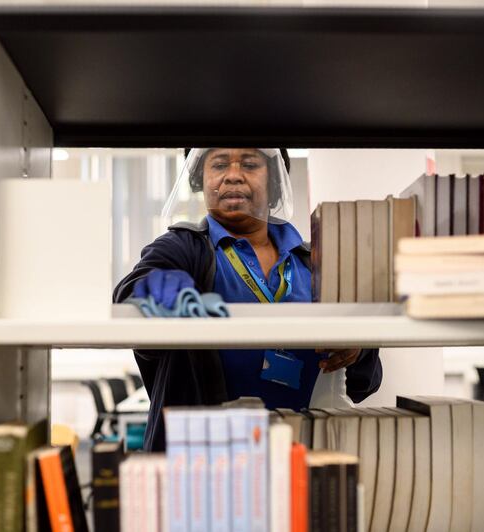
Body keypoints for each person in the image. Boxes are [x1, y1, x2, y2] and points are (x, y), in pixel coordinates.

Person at [113, 148, 382, 451]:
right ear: (202, 179)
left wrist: (358, 349)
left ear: (275, 182)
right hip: (200, 461)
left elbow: (365, 384)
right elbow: (133, 294)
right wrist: (167, 290)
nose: (233, 175)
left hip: (298, 459)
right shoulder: (183, 248)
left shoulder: (314, 262)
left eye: (250, 164)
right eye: (219, 164)